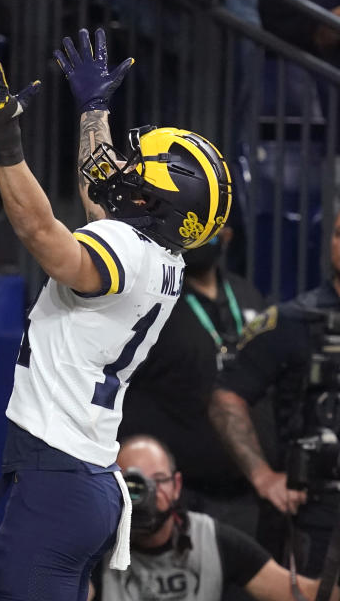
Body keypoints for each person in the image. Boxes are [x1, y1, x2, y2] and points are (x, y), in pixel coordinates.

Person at [0, 26, 233, 601]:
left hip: (59, 478)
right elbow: (100, 195)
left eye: (139, 169)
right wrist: (94, 110)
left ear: (157, 201)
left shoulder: (128, 253)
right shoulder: (162, 257)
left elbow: (40, 232)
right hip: (86, 479)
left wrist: (6, 142)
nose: (124, 167)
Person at [209, 211, 340, 576]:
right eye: (339, 234)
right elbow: (226, 398)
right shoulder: (293, 320)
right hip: (314, 514)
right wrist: (263, 476)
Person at [119, 226, 268, 539]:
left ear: (227, 234)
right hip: (175, 498)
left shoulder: (247, 294)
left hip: (246, 495)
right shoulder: (153, 301)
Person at [92, 435, 337, 601]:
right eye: (133, 484)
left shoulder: (210, 539)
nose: (148, 494)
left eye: (157, 480)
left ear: (177, 485)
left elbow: (301, 594)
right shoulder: (94, 545)